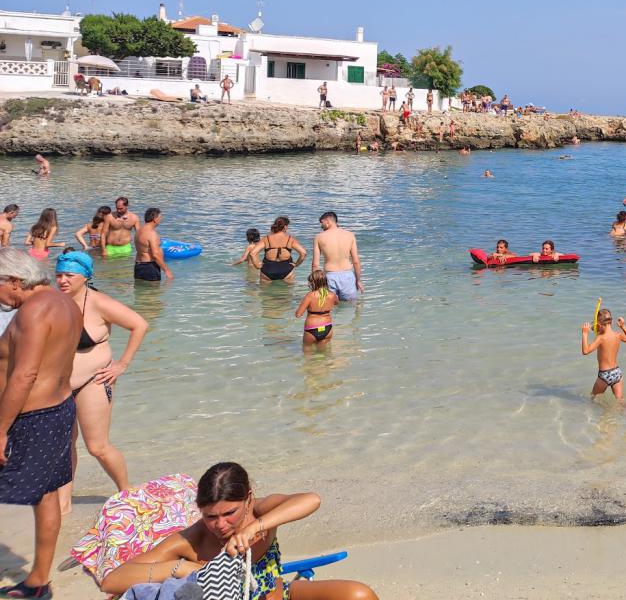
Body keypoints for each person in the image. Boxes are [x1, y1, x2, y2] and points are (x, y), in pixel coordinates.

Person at [100, 461, 378, 600]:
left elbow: (311, 500)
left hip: (279, 595)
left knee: (359, 594)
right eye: (211, 516)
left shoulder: (260, 513)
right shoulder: (193, 539)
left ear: (248, 499)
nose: (220, 525)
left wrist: (256, 527)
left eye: (229, 513)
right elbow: (112, 581)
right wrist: (178, 568)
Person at [0, 247, 81, 598]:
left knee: (42, 494)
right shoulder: (66, 304)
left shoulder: (33, 311)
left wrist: (0, 429)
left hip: (29, 419)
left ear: (15, 281)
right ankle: (38, 582)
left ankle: (38, 582)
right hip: (58, 411)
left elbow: (25, 374)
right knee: (46, 495)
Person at [53, 251, 148, 515]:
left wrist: (122, 364)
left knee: (97, 446)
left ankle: (126, 492)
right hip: (58, 386)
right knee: (62, 446)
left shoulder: (98, 303)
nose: (62, 280)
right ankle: (63, 505)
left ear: (85, 276)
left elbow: (139, 324)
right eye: (58, 275)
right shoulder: (51, 302)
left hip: (92, 382)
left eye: (68, 276)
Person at [581, 308, 626, 402]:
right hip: (617, 373)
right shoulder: (618, 335)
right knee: (621, 401)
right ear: (612, 321)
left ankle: (596, 416)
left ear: (599, 324)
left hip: (604, 375)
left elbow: (585, 351)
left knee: (592, 399)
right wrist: (623, 326)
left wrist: (585, 334)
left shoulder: (601, 338)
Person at [312, 212, 362, 301]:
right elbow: (356, 261)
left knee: (328, 307)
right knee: (351, 307)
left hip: (329, 276)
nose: (321, 226)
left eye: (321, 223)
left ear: (327, 221)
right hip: (347, 276)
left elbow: (316, 264)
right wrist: (358, 281)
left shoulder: (319, 237)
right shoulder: (350, 235)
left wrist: (316, 284)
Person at [295, 270, 338, 346]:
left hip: (312, 328)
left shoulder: (310, 295)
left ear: (314, 282)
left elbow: (298, 315)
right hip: (327, 327)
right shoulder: (332, 295)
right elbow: (336, 303)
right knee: (323, 354)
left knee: (307, 354)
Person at [258, 217, 306, 284]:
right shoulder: (290, 239)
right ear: (285, 227)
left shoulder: (266, 238)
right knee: (287, 294)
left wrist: (256, 265)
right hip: (286, 269)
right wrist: (296, 264)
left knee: (264, 293)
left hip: (268, 269)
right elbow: (303, 253)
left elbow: (252, 253)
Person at [133, 207, 172, 282]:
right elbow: (155, 255)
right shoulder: (152, 234)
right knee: (154, 292)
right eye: (160, 217)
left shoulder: (139, 231)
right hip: (150, 267)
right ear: (154, 219)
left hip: (138, 266)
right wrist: (166, 270)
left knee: (140, 292)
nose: (160, 220)